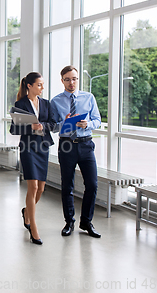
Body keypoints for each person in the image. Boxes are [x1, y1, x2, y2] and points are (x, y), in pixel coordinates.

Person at [50, 65, 102, 238]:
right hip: (67, 145)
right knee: (67, 185)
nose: (71, 82)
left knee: (92, 185)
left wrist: (88, 124)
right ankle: (69, 222)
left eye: (74, 79)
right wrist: (63, 123)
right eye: (67, 79)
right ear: (62, 80)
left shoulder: (89, 97)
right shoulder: (56, 101)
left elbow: (98, 120)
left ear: (78, 79)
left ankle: (86, 222)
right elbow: (52, 126)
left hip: (86, 144)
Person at [10, 72, 55, 245]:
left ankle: (26, 212)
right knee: (33, 185)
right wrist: (30, 126)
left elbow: (53, 124)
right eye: (39, 85)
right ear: (29, 86)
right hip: (28, 147)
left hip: (42, 147)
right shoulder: (20, 104)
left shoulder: (45, 103)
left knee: (41, 188)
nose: (42, 88)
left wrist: (42, 126)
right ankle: (33, 228)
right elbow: (13, 130)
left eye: (43, 85)